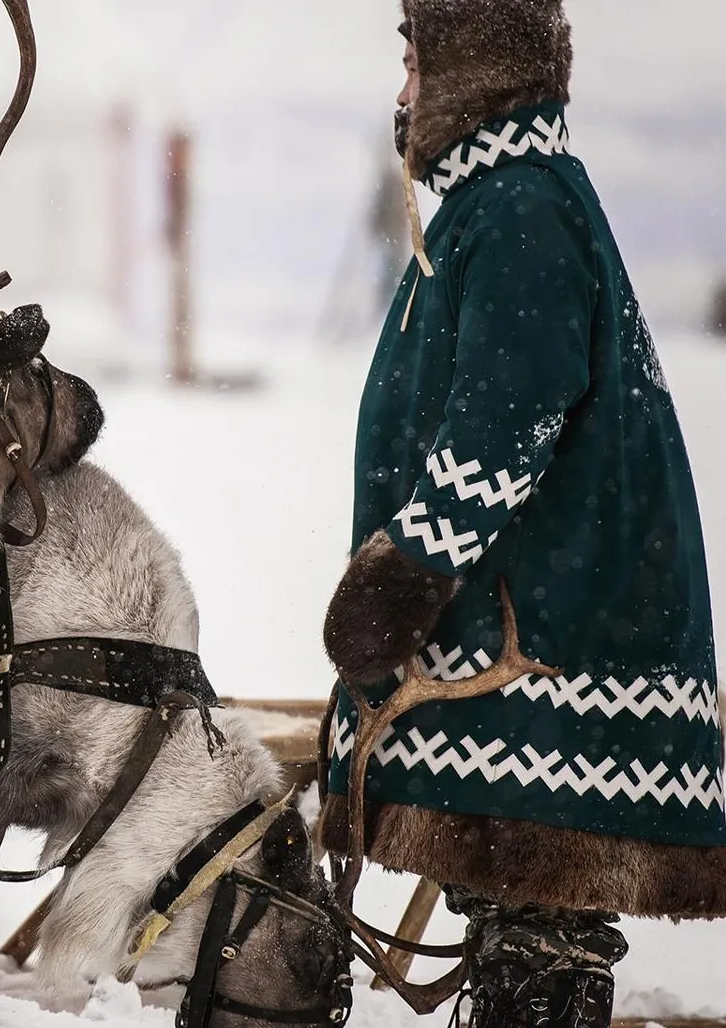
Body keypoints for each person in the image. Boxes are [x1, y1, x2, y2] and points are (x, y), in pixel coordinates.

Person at [316, 3, 724, 1026]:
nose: (402, 92)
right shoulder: (500, 203)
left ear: (468, 69)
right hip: (531, 634)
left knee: (541, 943)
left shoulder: (517, 209)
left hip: (550, 657)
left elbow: (511, 414)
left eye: (415, 63)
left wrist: (407, 570)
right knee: (519, 934)